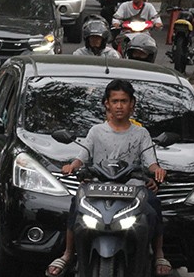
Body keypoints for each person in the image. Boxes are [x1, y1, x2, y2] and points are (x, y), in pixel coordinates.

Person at [46, 79, 170, 277]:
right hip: (97, 188)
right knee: (75, 204)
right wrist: (72, 166)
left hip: (132, 190)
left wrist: (157, 170)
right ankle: (68, 254)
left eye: (124, 101)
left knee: (154, 204)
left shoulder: (141, 133)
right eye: (115, 101)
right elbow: (82, 157)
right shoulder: (96, 131)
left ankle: (159, 254)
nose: (119, 106)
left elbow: (150, 162)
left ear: (132, 104)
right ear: (107, 104)